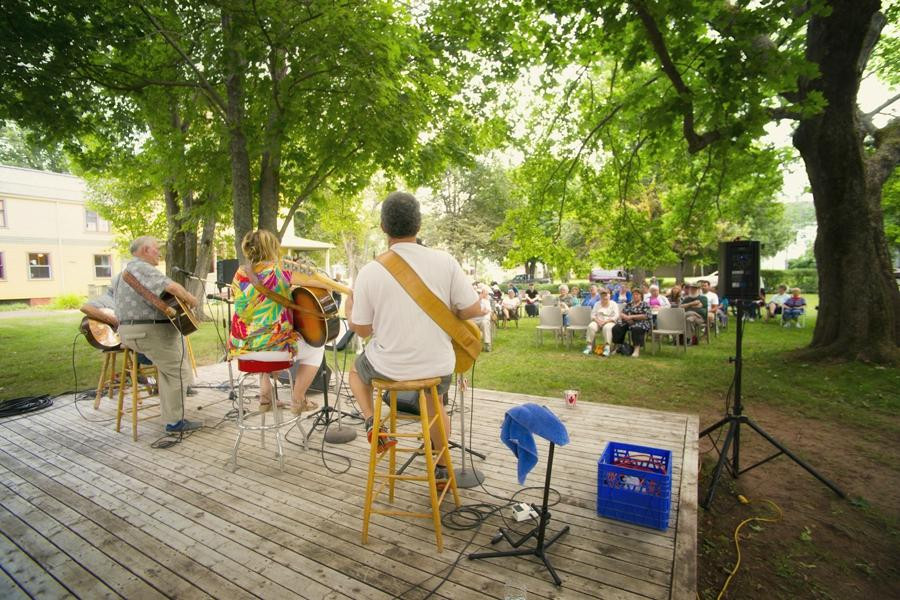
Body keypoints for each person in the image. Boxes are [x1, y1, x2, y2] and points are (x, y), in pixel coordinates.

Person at [347, 192, 486, 486]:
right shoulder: (445, 262)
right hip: (436, 367)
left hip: (388, 371)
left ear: (383, 227)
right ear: (419, 225)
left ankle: (373, 421)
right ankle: (442, 468)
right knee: (435, 402)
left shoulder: (370, 271)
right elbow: (473, 309)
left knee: (356, 373)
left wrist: (350, 309)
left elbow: (361, 330)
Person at [228, 229, 346, 415]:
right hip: (274, 352)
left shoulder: (240, 273)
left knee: (260, 335)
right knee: (317, 348)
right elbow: (322, 282)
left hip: (244, 351)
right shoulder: (283, 269)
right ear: (273, 247)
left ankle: (265, 397)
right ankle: (298, 399)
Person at [114, 236, 201, 433]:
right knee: (178, 370)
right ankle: (174, 422)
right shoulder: (141, 267)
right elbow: (170, 287)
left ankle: (172, 416)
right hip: (148, 331)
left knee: (170, 368)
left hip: (136, 331)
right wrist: (191, 299)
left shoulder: (127, 271)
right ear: (145, 250)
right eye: (156, 249)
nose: (159, 253)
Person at [611, 289, 652, 357]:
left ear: (641, 296)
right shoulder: (629, 304)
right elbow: (621, 313)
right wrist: (627, 317)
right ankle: (617, 346)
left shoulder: (644, 304)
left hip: (641, 322)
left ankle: (636, 349)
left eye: (637, 294)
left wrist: (631, 317)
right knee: (617, 327)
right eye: (634, 294)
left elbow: (646, 315)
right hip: (628, 321)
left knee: (636, 328)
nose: (635, 296)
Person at [583, 289, 619, 356]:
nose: (604, 297)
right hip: (598, 321)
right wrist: (598, 321)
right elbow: (592, 315)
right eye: (602, 295)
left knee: (607, 328)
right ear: (600, 296)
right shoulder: (597, 304)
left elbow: (616, 316)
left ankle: (607, 348)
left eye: (606, 295)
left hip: (609, 321)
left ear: (609, 295)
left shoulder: (614, 304)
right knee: (591, 326)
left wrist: (606, 321)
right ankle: (589, 346)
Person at [474, 286, 494, 351]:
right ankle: (472, 344)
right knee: (469, 323)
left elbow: (487, 311)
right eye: (484, 293)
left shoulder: (486, 301)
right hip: (475, 318)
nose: (485, 295)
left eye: (486, 294)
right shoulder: (475, 300)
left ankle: (487, 344)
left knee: (485, 323)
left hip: (484, 318)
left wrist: (481, 312)